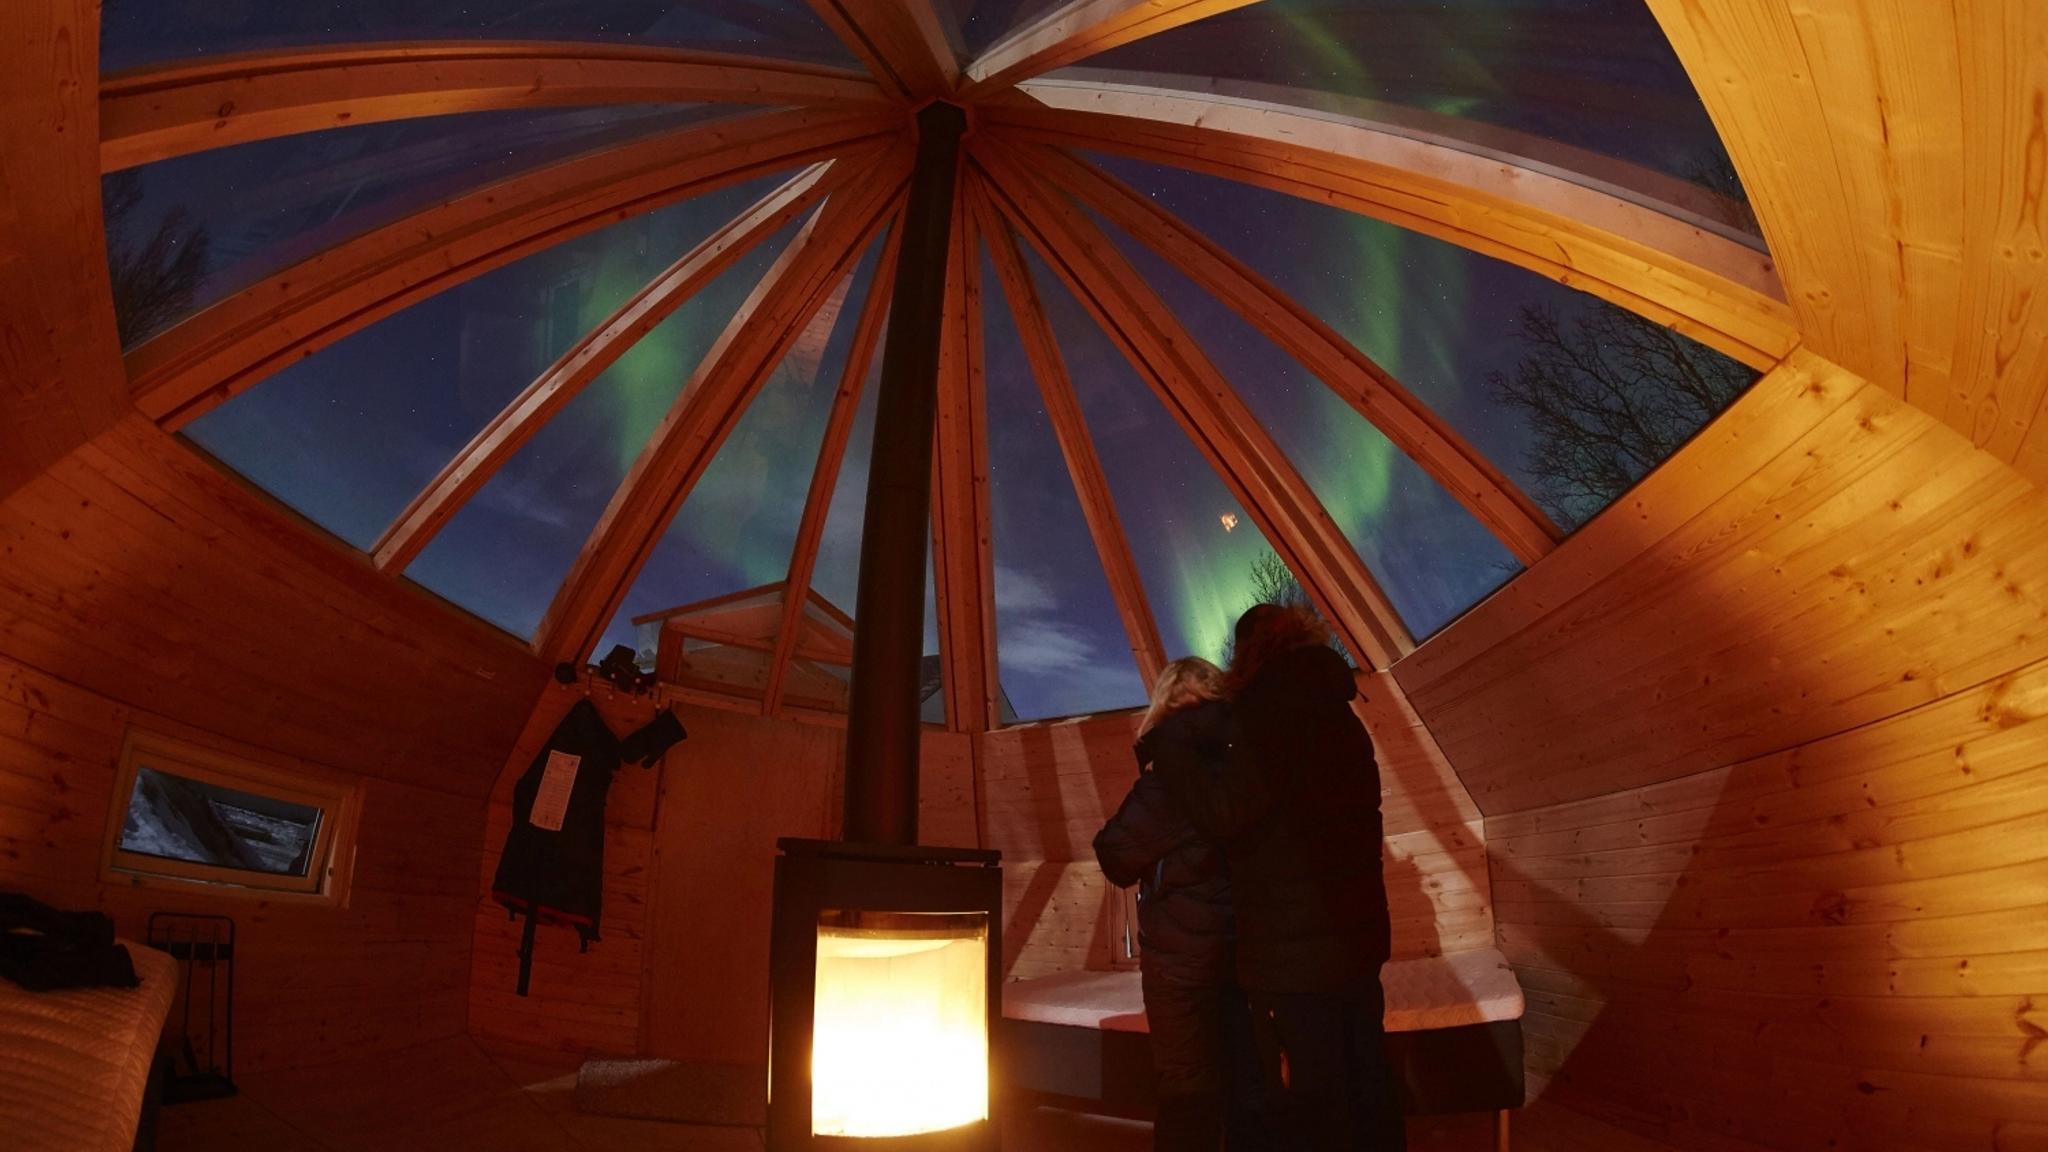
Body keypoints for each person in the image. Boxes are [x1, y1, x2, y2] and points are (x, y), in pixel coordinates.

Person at [1160, 604, 1403, 1150]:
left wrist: (1172, 749)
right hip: (1358, 938)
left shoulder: (1260, 718)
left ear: (1245, 655)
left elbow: (1225, 815)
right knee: (1369, 1081)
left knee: (1310, 1105)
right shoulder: (1343, 717)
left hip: (1290, 961)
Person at [1094, 657, 1269, 1151]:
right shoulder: (1248, 764)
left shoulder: (1168, 779)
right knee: (1248, 1080)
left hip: (1180, 964)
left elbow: (1116, 857)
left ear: (1165, 705)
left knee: (1186, 1088)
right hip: (1249, 953)